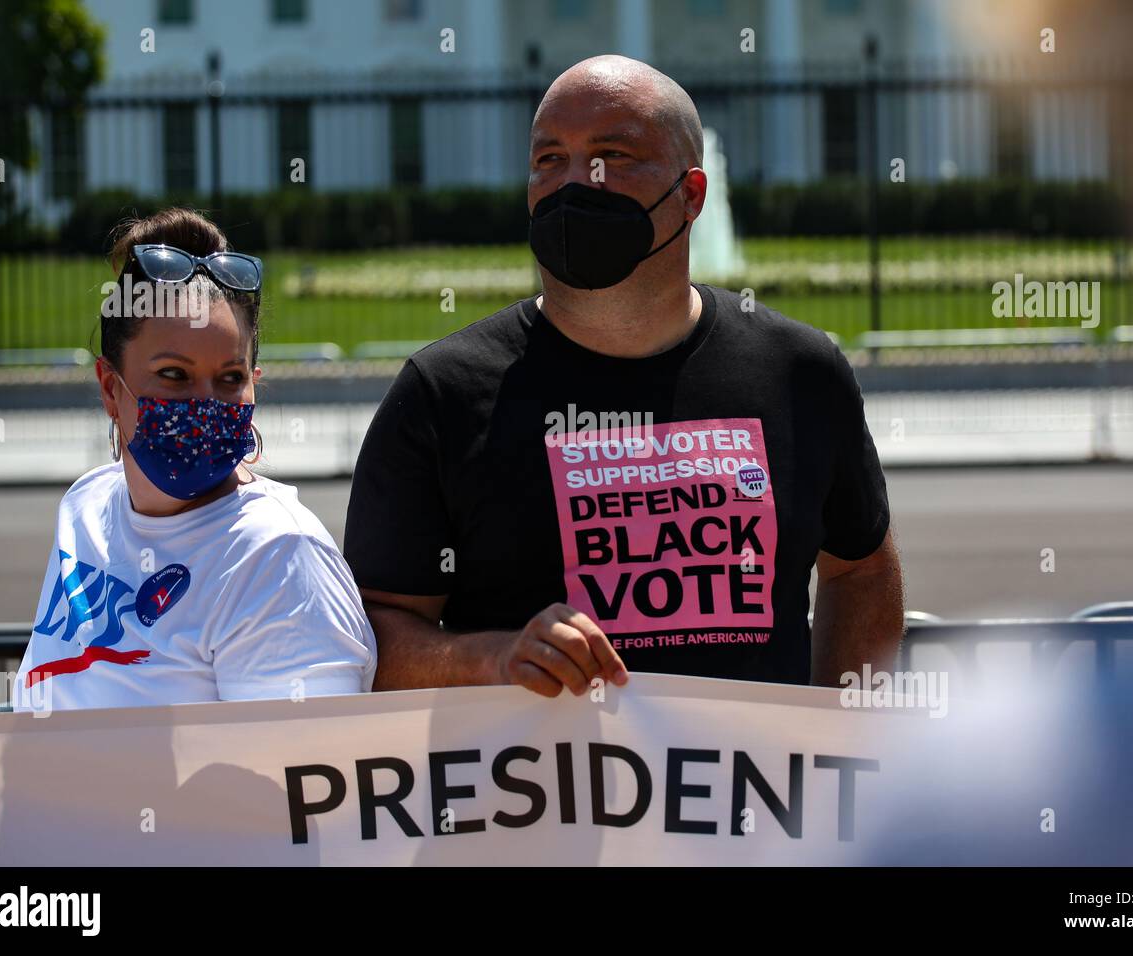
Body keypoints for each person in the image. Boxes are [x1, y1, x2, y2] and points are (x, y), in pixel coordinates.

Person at [344, 55, 903, 698]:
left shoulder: (800, 372)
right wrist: (493, 659)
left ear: (692, 195)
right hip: (534, 797)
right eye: (550, 159)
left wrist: (837, 734)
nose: (577, 183)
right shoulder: (441, 395)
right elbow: (369, 640)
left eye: (612, 154)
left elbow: (860, 570)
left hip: (752, 796)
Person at [12, 208, 376, 711]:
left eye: (230, 378)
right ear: (109, 388)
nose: (204, 403)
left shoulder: (276, 558)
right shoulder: (86, 504)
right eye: (175, 376)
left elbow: (298, 779)